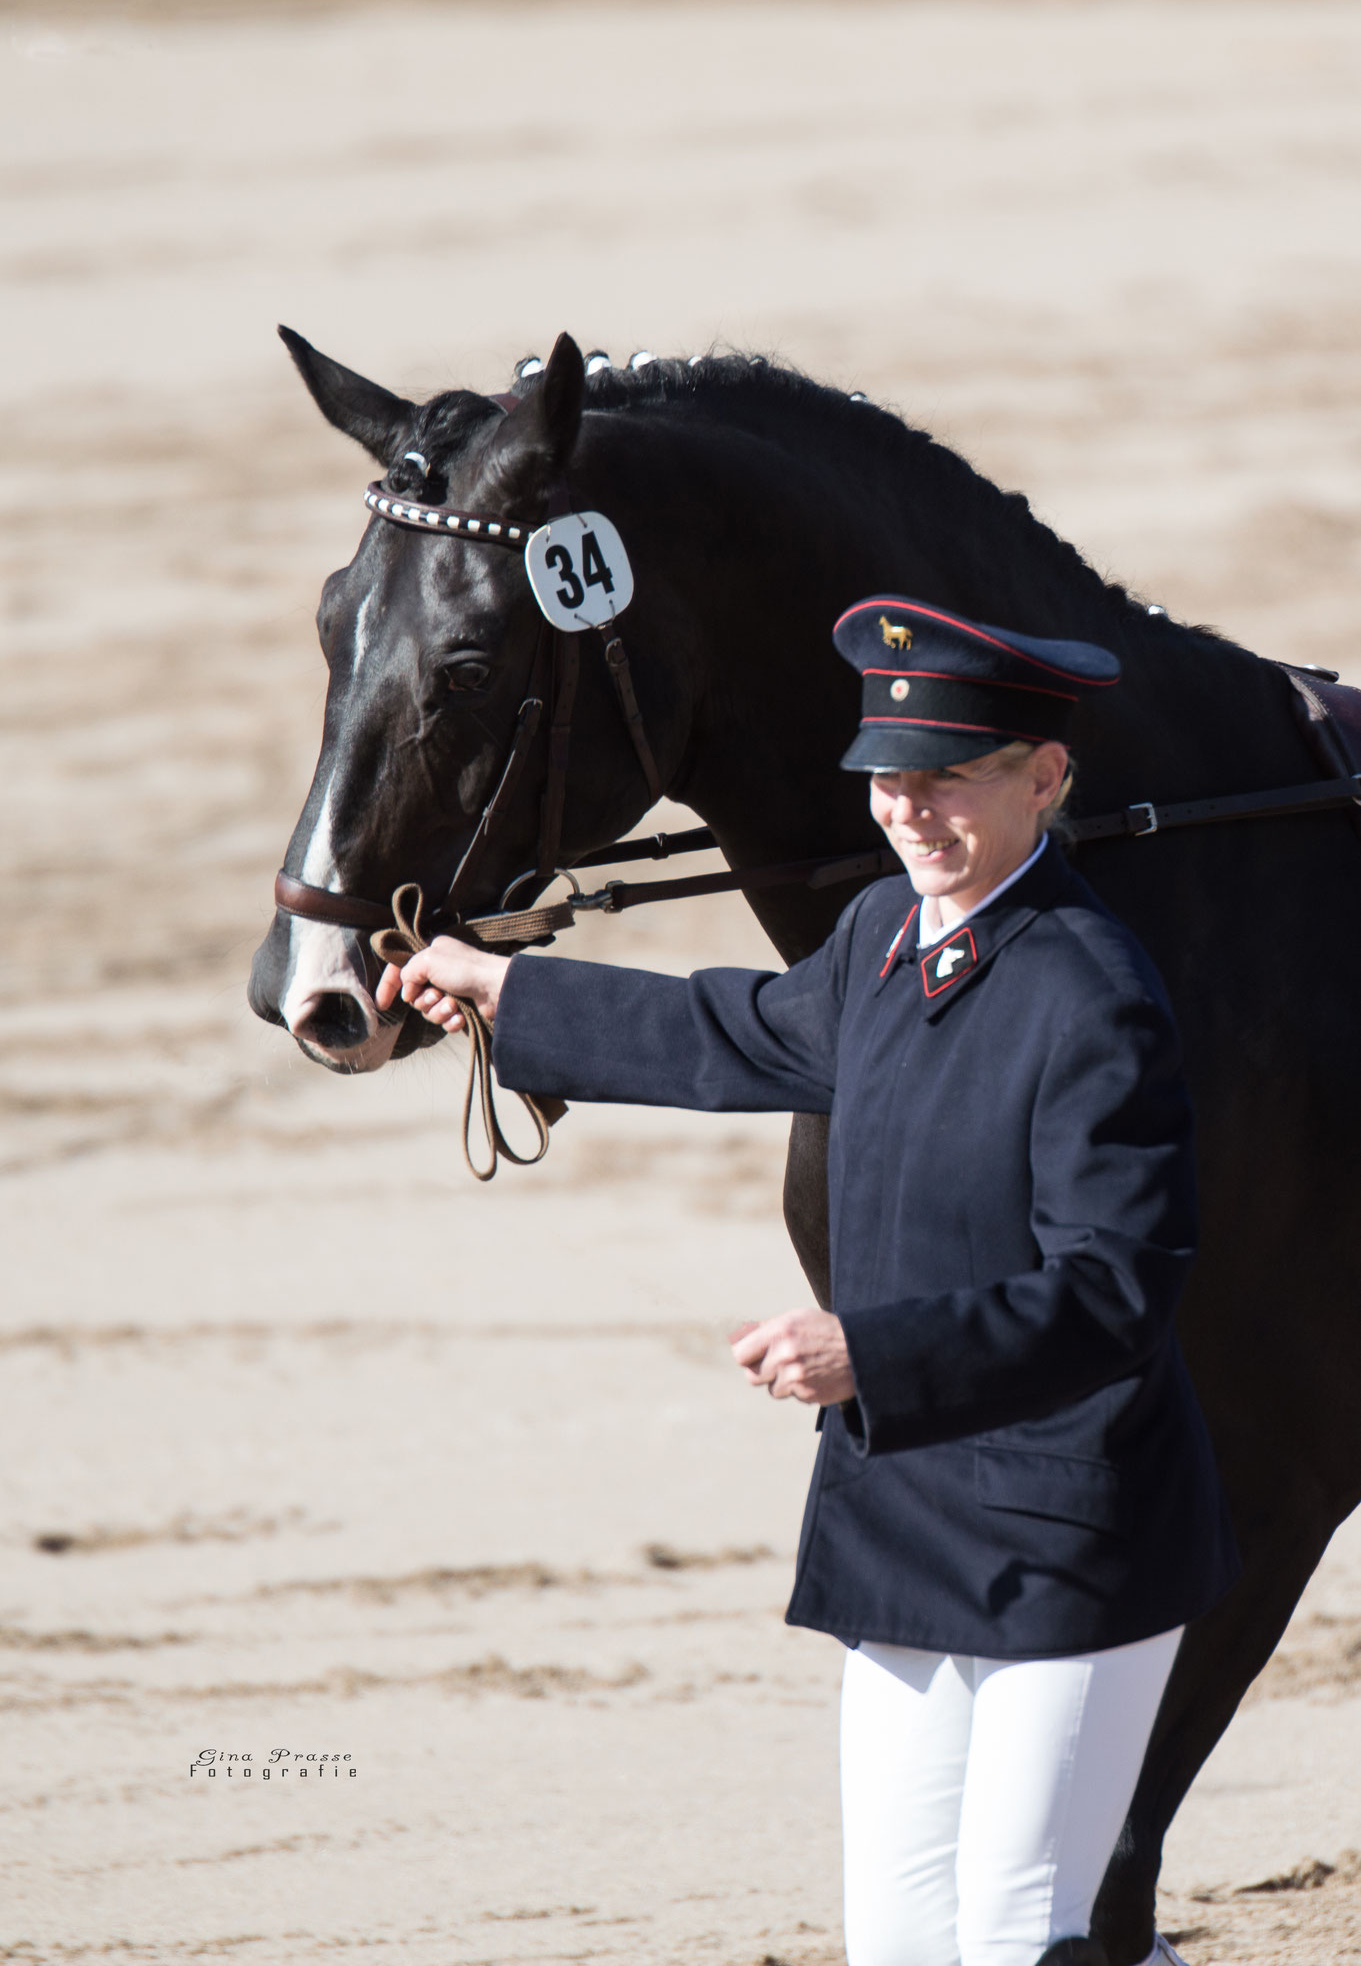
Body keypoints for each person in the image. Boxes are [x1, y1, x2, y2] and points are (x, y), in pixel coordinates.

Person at [375, 596, 1240, 1966]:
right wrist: (507, 992)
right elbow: (738, 1028)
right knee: (901, 1942)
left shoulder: (1093, 998)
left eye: (948, 778)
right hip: (903, 1515)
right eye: (889, 780)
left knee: (1025, 1935)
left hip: (1073, 1536)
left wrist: (866, 1358)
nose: (910, 813)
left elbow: (1114, 1297)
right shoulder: (883, 937)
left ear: (1044, 777)